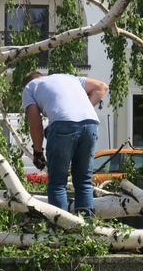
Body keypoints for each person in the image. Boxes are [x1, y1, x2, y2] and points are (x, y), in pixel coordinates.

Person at [22, 71, 108, 215]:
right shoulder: (70, 78)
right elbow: (101, 87)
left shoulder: (30, 87)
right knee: (84, 182)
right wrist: (82, 109)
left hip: (62, 125)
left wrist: (38, 152)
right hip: (91, 124)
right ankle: (84, 231)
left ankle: (60, 231)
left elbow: (36, 125)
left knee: (57, 183)